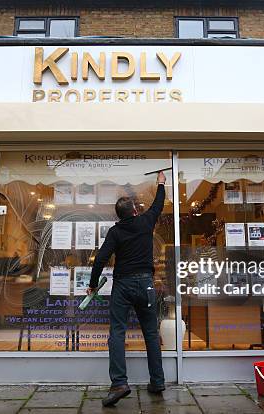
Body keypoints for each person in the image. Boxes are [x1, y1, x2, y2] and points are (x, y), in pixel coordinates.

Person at [87, 171, 167, 407]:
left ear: (120, 216)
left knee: (118, 333)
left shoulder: (115, 231)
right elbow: (158, 204)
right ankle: (157, 380)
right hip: (145, 284)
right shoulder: (145, 221)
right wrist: (161, 184)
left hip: (122, 285)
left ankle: (119, 383)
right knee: (151, 333)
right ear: (135, 211)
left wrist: (92, 285)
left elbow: (100, 259)